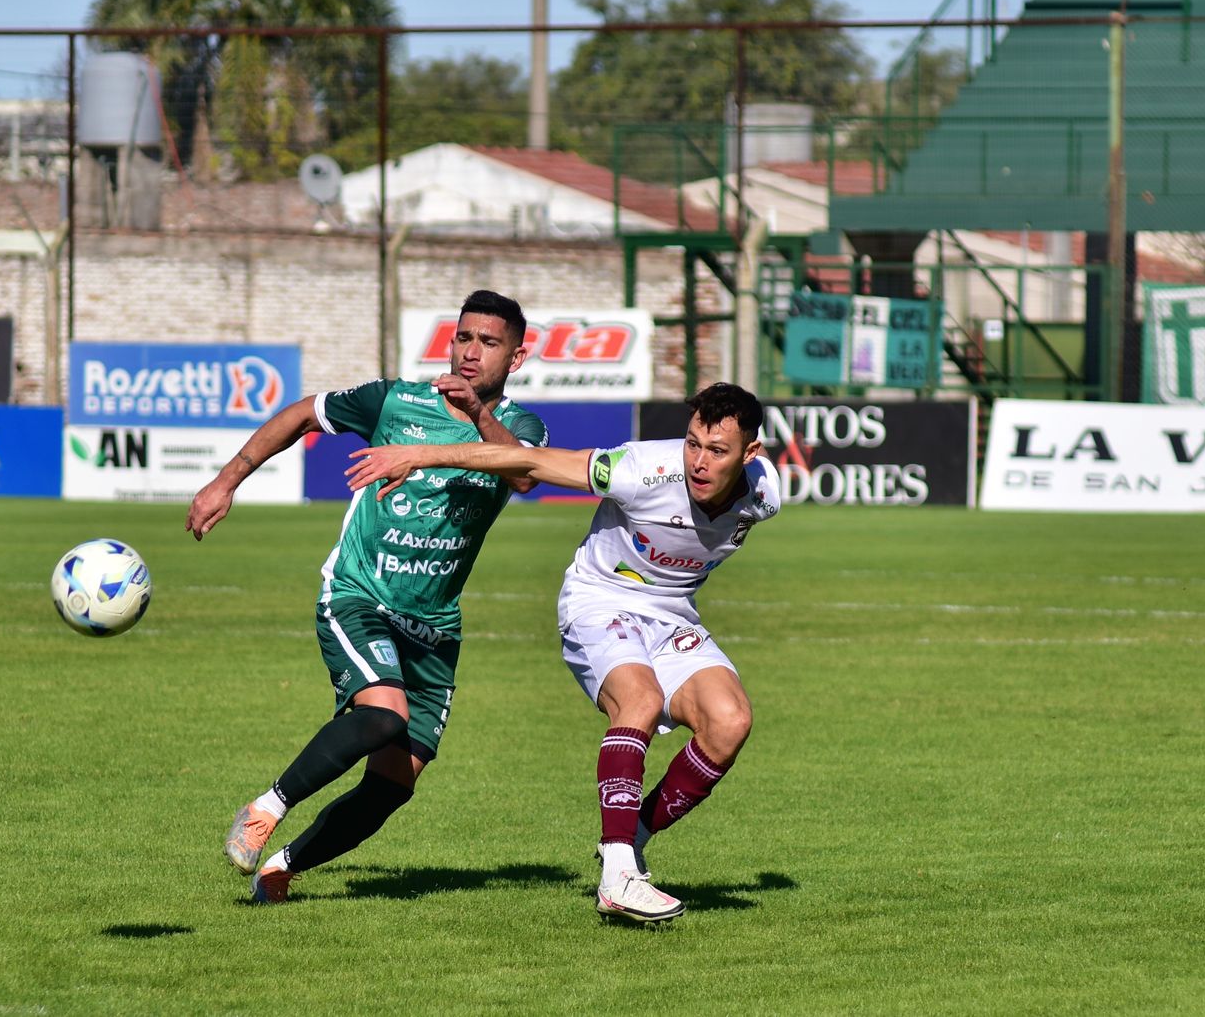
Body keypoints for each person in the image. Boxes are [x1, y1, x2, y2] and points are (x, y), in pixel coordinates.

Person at [345, 382, 779, 924]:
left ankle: (630, 837)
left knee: (730, 721)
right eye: (693, 443)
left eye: (717, 451)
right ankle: (618, 877)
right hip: (599, 601)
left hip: (670, 616)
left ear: (750, 454)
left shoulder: (765, 494)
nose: (698, 460)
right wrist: (421, 454)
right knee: (638, 701)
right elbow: (527, 460)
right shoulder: (641, 469)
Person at [186, 290, 547, 904]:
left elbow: (522, 473)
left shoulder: (523, 429)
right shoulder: (396, 401)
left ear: (516, 356)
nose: (470, 352)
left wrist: (476, 416)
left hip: (434, 623)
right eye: (464, 337)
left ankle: (281, 868)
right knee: (382, 716)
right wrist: (227, 480)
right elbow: (303, 413)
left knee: (394, 783)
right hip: (359, 594)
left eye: (489, 343)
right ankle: (264, 808)